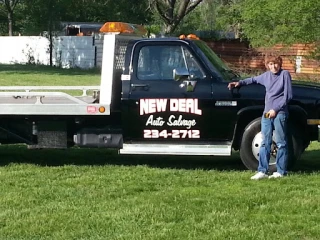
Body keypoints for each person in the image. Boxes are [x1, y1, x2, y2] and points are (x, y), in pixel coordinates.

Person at [228, 55, 293, 180]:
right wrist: (239, 83)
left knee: (281, 143)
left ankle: (281, 171)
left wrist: (276, 109)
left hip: (280, 113)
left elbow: (288, 96)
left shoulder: (285, 75)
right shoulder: (266, 76)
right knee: (265, 142)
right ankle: (262, 171)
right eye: (270, 64)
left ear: (279, 64)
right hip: (267, 113)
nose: (273, 66)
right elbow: (252, 80)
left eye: (275, 64)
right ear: (267, 65)